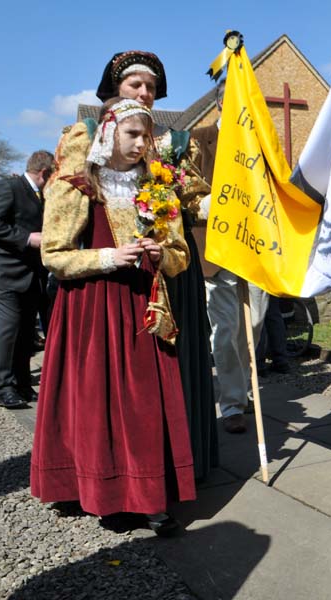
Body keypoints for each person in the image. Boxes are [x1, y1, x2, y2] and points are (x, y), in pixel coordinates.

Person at [51, 50, 218, 481]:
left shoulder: (175, 141)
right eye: (135, 85)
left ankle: (174, 464)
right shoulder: (85, 136)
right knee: (104, 383)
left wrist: (229, 207)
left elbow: (189, 201)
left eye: (152, 87)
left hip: (167, 265)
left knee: (162, 378)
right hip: (103, 273)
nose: (145, 93)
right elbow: (71, 216)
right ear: (114, 91)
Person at [31, 97, 194, 535]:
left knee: (142, 404)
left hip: (143, 304)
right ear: (109, 134)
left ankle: (146, 494)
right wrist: (107, 256)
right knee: (96, 398)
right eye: (132, 134)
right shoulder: (80, 185)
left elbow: (181, 257)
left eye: (146, 136)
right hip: (92, 307)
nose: (142, 144)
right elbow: (55, 255)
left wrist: (163, 251)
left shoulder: (157, 188)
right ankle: (96, 489)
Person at [192, 82, 270, 434]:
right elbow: (186, 189)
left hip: (254, 249)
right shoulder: (199, 138)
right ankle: (233, 403)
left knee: (252, 326)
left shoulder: (260, 141)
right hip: (216, 250)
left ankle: (248, 387)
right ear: (222, 103)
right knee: (226, 330)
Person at [0, 150, 54, 408]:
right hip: (3, 273)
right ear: (45, 173)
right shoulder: (9, 188)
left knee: (24, 333)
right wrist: (27, 238)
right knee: (7, 330)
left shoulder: (39, 194)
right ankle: (3, 387)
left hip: (29, 276)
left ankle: (22, 383)